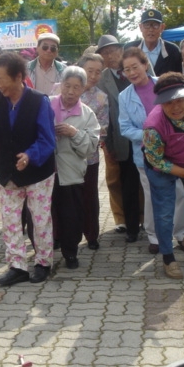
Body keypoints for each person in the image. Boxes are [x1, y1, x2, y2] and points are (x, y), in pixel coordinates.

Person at [0, 52, 56, 285]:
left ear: (18, 76)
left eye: (0, 79)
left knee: (40, 219)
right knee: (10, 220)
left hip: (38, 171)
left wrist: (30, 155)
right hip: (8, 171)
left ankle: (43, 262)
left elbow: (47, 139)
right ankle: (17, 266)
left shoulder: (39, 100)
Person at [119, 47, 184, 253]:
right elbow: (125, 128)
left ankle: (181, 234)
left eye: (135, 66)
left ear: (145, 64)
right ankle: (154, 236)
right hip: (146, 155)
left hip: (175, 150)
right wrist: (151, 136)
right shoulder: (124, 96)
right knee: (151, 196)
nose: (131, 72)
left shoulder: (164, 85)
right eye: (126, 69)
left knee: (179, 193)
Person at [143, 72, 184, 279]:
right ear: (160, 104)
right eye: (168, 103)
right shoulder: (152, 127)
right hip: (161, 164)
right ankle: (168, 258)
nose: (176, 107)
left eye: (180, 100)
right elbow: (156, 161)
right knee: (164, 212)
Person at [49, 66, 100, 269]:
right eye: (67, 86)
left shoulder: (87, 115)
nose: (70, 92)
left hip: (71, 173)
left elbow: (89, 149)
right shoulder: (46, 105)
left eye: (76, 88)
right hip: (45, 174)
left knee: (72, 216)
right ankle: (44, 253)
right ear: (61, 85)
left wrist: (74, 133)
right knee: (44, 215)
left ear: (83, 89)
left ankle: (70, 253)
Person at [96, 34, 139, 237]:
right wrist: (106, 142)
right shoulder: (102, 78)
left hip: (141, 134)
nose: (110, 55)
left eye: (113, 50)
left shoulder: (135, 69)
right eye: (105, 52)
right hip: (116, 137)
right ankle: (124, 220)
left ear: (121, 50)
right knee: (118, 180)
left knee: (143, 180)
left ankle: (144, 218)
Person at [77, 53, 109, 250]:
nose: (94, 75)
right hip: (62, 157)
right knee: (66, 197)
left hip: (89, 155)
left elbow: (103, 126)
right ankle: (63, 235)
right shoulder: (60, 89)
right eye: (90, 71)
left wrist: (81, 137)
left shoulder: (101, 97)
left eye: (98, 72)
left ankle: (91, 235)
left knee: (89, 196)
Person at [125, 9, 182, 76]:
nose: (151, 29)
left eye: (155, 25)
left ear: (162, 27)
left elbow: (178, 80)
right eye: (147, 25)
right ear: (140, 27)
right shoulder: (129, 49)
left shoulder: (173, 51)